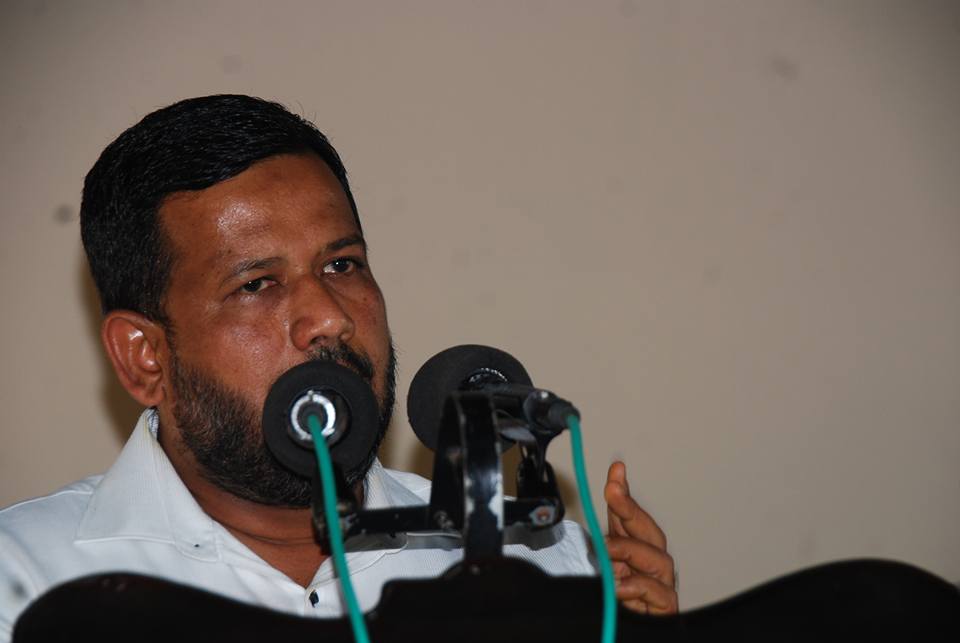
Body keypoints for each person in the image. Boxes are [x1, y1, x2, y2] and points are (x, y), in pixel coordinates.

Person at [0, 95, 677, 639]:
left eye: (342, 265)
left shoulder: (537, 560)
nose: (328, 317)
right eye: (257, 284)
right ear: (144, 356)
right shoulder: (24, 582)